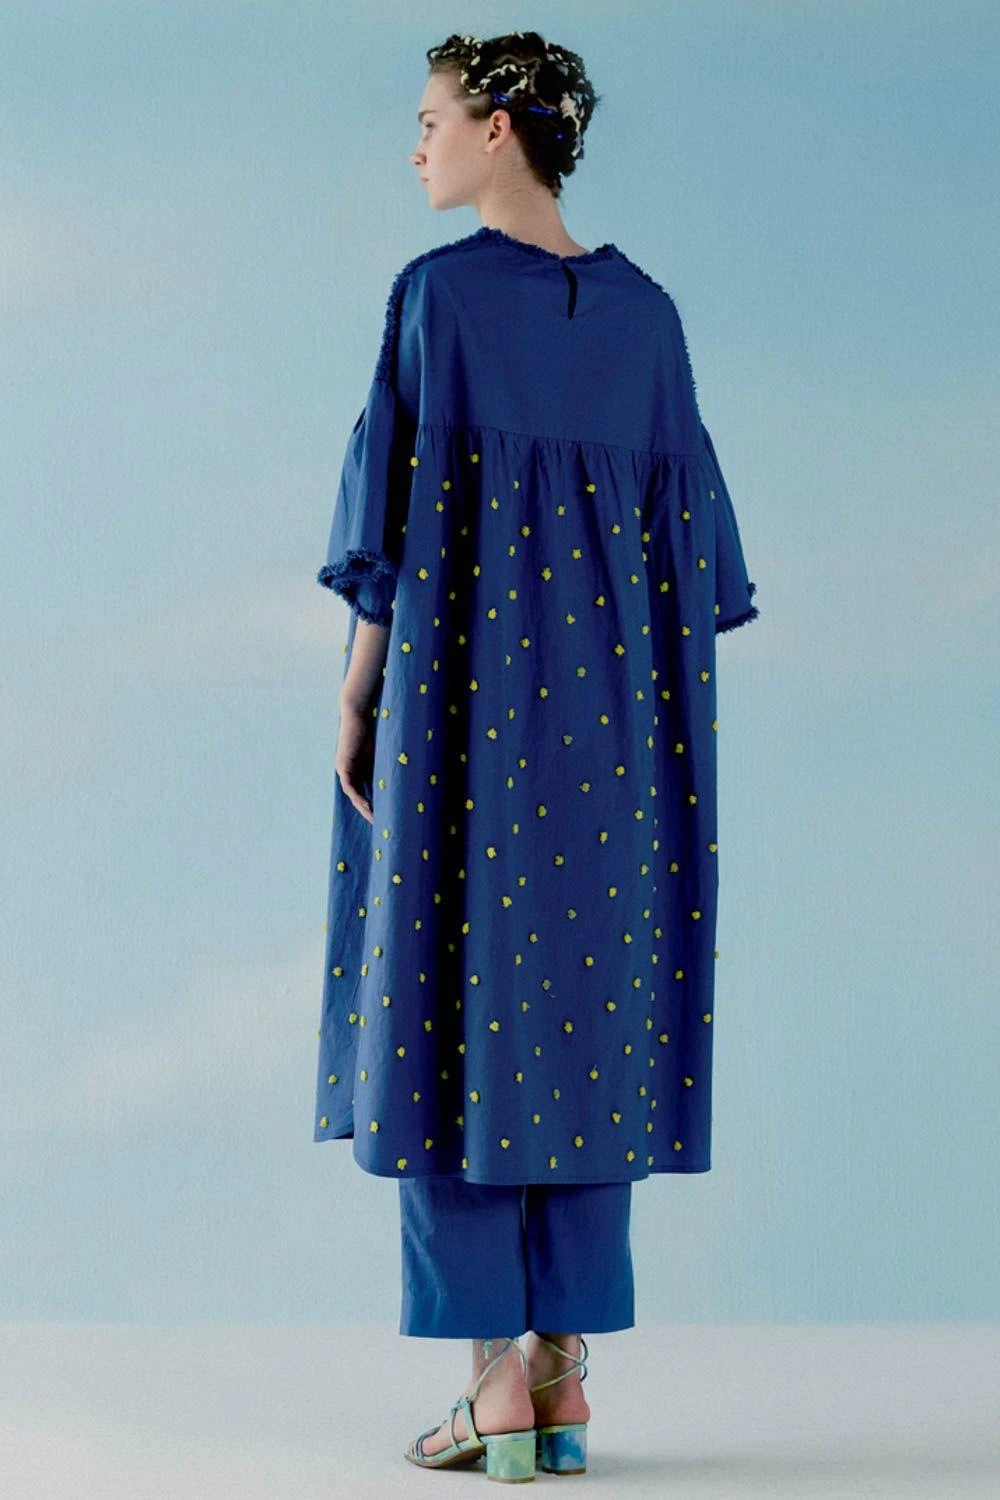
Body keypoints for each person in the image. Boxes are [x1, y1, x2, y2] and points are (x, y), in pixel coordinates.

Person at [312, 29, 760, 1478]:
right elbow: (700, 564)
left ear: (499, 127)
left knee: (443, 1002)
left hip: (462, 716)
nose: (416, 146)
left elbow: (389, 530)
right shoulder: (651, 320)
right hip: (622, 742)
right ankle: (562, 1382)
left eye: (430, 120)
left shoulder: (437, 299)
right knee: (584, 1019)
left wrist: (358, 695)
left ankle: (493, 1390)